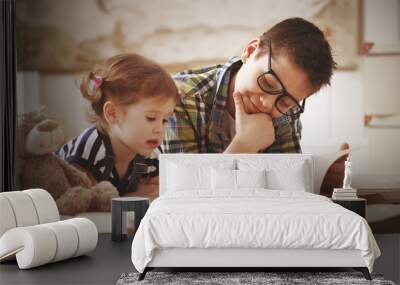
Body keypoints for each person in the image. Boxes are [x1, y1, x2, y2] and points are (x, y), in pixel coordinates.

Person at [161, 17, 345, 193]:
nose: (267, 104)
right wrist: (244, 144)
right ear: (249, 52)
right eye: (268, 83)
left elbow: (285, 194)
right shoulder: (179, 98)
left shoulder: (285, 114)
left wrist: (318, 181)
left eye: (286, 102)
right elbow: (184, 198)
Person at [56, 53, 179, 200]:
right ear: (113, 114)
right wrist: (132, 197)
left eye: (165, 120)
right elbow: (83, 204)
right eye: (151, 118)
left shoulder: (151, 156)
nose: (159, 129)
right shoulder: (88, 151)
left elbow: (159, 190)